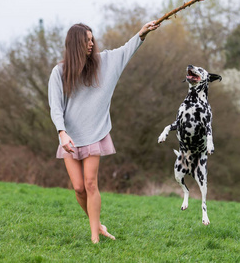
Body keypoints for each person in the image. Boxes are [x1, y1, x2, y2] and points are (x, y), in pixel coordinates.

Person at [48, 20, 160, 243]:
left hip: (94, 134)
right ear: (75, 44)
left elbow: (125, 51)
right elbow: (55, 106)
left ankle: (94, 238)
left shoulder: (104, 63)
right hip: (69, 137)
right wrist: (61, 132)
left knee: (90, 184)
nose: (91, 44)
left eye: (92, 39)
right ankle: (97, 224)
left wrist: (142, 33)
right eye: (86, 40)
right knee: (79, 188)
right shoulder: (59, 72)